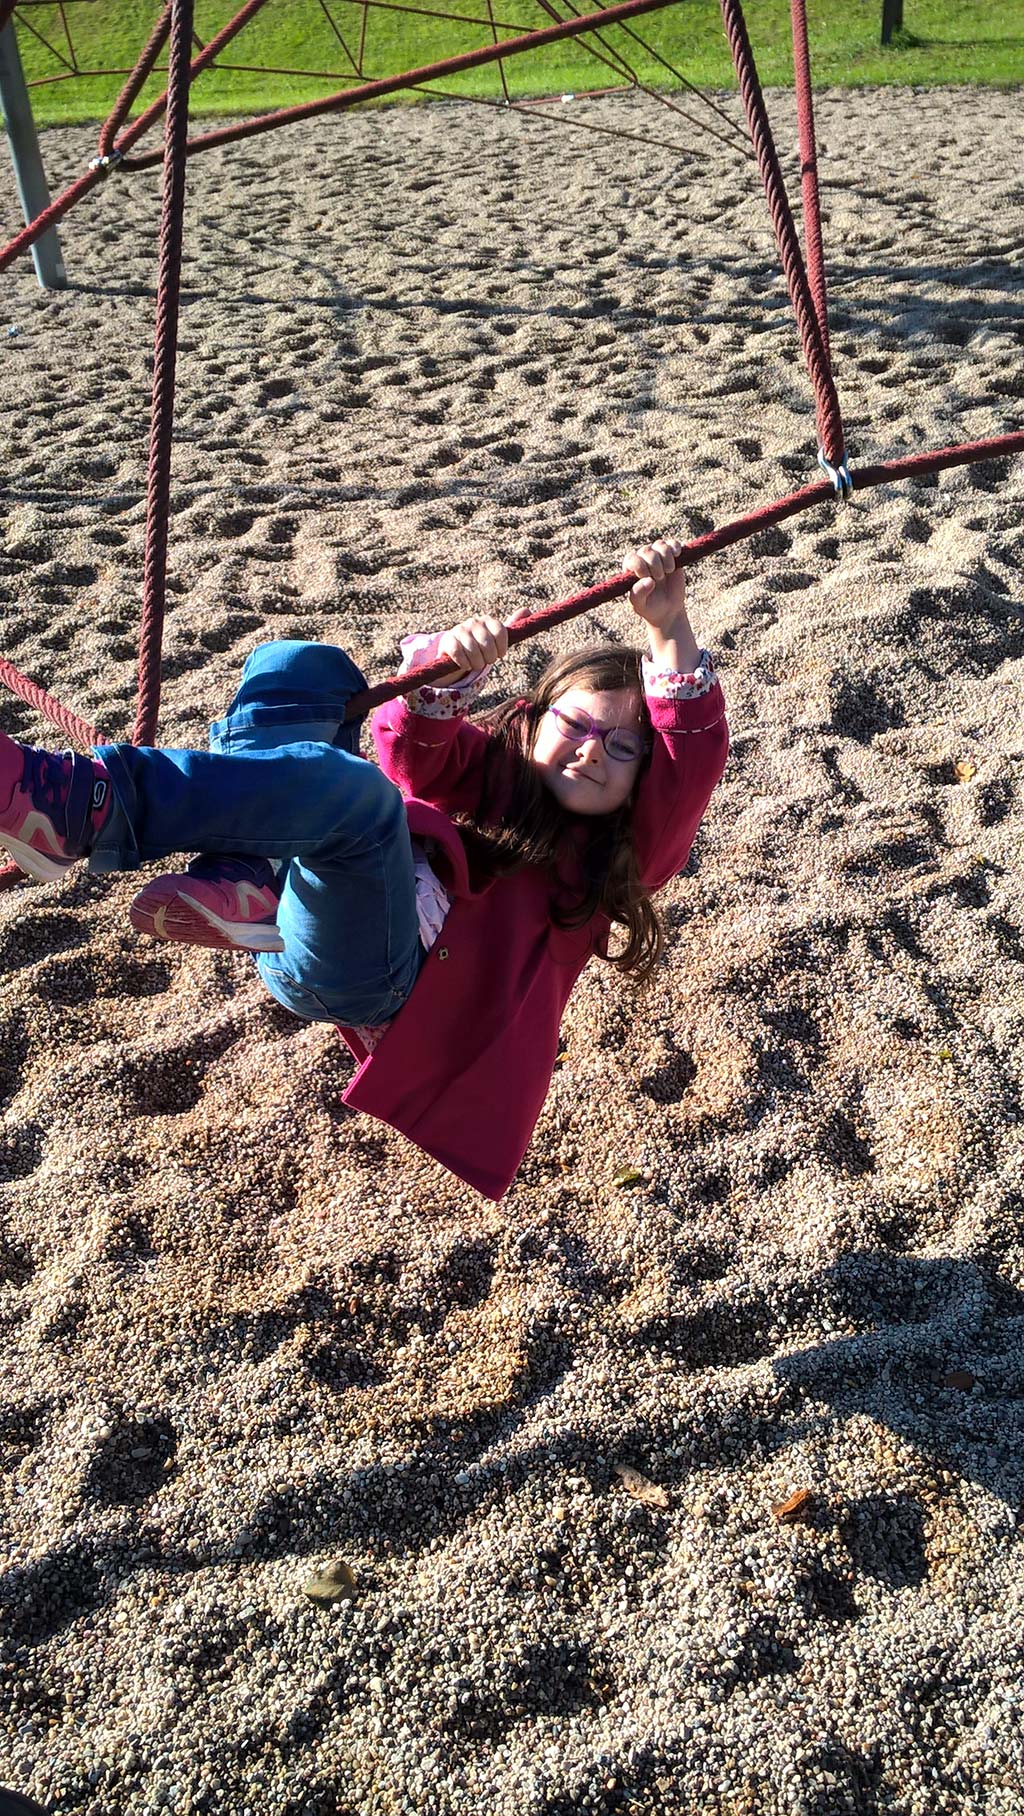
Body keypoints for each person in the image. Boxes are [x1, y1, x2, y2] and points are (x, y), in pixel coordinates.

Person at [0, 539, 727, 1198]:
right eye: (576, 724)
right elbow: (406, 750)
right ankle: (245, 872)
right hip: (312, 919)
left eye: (623, 749)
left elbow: (687, 769)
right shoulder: (494, 779)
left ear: (644, 777)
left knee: (359, 800)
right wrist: (447, 676)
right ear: (533, 720)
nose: (594, 750)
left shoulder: (616, 862)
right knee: (298, 668)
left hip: (390, 986)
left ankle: (80, 806)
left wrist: (668, 628)